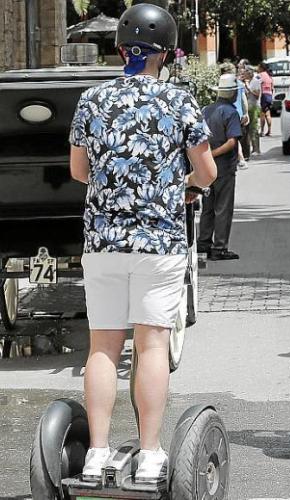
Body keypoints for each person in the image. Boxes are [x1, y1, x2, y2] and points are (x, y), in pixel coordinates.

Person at [69, 3, 217, 484]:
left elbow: (79, 171)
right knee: (152, 346)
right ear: (167, 53)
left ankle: (96, 453)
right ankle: (150, 454)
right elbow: (208, 171)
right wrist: (184, 184)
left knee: (102, 346)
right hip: (158, 242)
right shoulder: (178, 100)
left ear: (120, 50)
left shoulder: (92, 100)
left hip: (103, 241)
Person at [198, 74, 243, 260]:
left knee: (207, 207)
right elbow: (231, 142)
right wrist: (214, 154)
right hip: (223, 167)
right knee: (223, 207)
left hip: (205, 167)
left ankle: (203, 244)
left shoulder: (206, 110)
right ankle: (219, 248)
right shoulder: (231, 112)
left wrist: (205, 156)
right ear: (232, 93)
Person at [220, 62, 249, 164]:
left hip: (225, 113)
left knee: (231, 137)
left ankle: (240, 158)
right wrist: (246, 113)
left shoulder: (221, 83)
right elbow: (243, 100)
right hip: (237, 113)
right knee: (234, 136)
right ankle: (239, 158)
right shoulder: (239, 83)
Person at [243, 68, 262, 155]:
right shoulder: (247, 82)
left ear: (250, 74)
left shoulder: (255, 82)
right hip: (248, 107)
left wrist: (249, 88)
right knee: (248, 129)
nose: (244, 75)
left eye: (245, 74)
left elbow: (257, 95)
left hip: (254, 107)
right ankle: (252, 148)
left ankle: (256, 149)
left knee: (254, 128)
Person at [257, 62, 274, 136]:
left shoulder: (260, 75)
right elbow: (272, 88)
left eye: (258, 67)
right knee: (268, 114)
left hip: (263, 95)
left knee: (262, 114)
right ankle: (269, 131)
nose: (257, 68)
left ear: (261, 68)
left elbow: (257, 85)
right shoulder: (269, 75)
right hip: (269, 95)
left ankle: (262, 131)